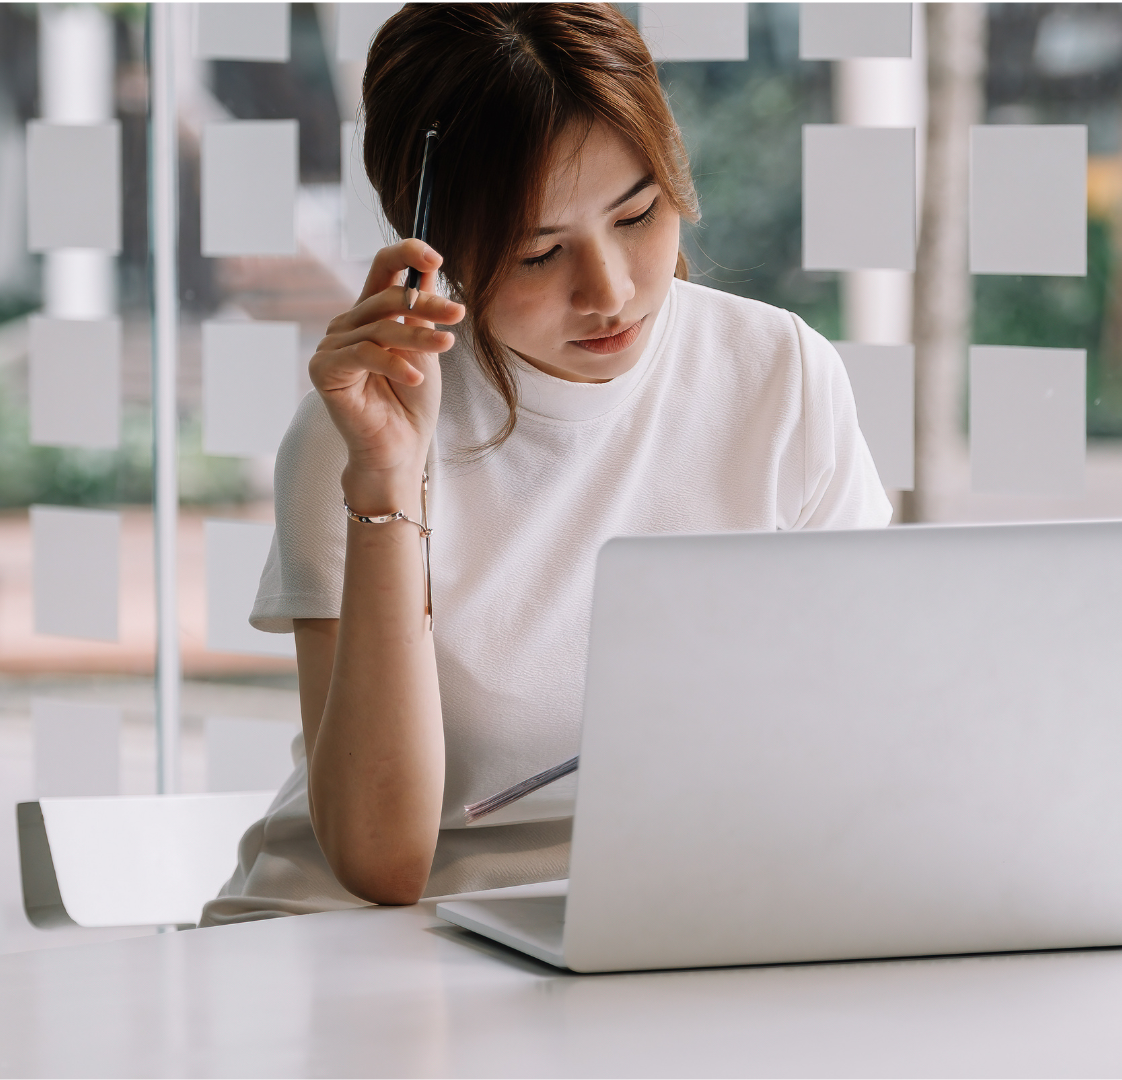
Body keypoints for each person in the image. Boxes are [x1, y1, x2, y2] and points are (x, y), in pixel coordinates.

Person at [201, 3, 891, 925]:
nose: (610, 290)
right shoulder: (359, 431)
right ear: (434, 255)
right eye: (538, 253)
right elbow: (382, 862)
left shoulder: (779, 374)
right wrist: (386, 483)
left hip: (658, 922)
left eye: (638, 214)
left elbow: (860, 736)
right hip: (367, 939)